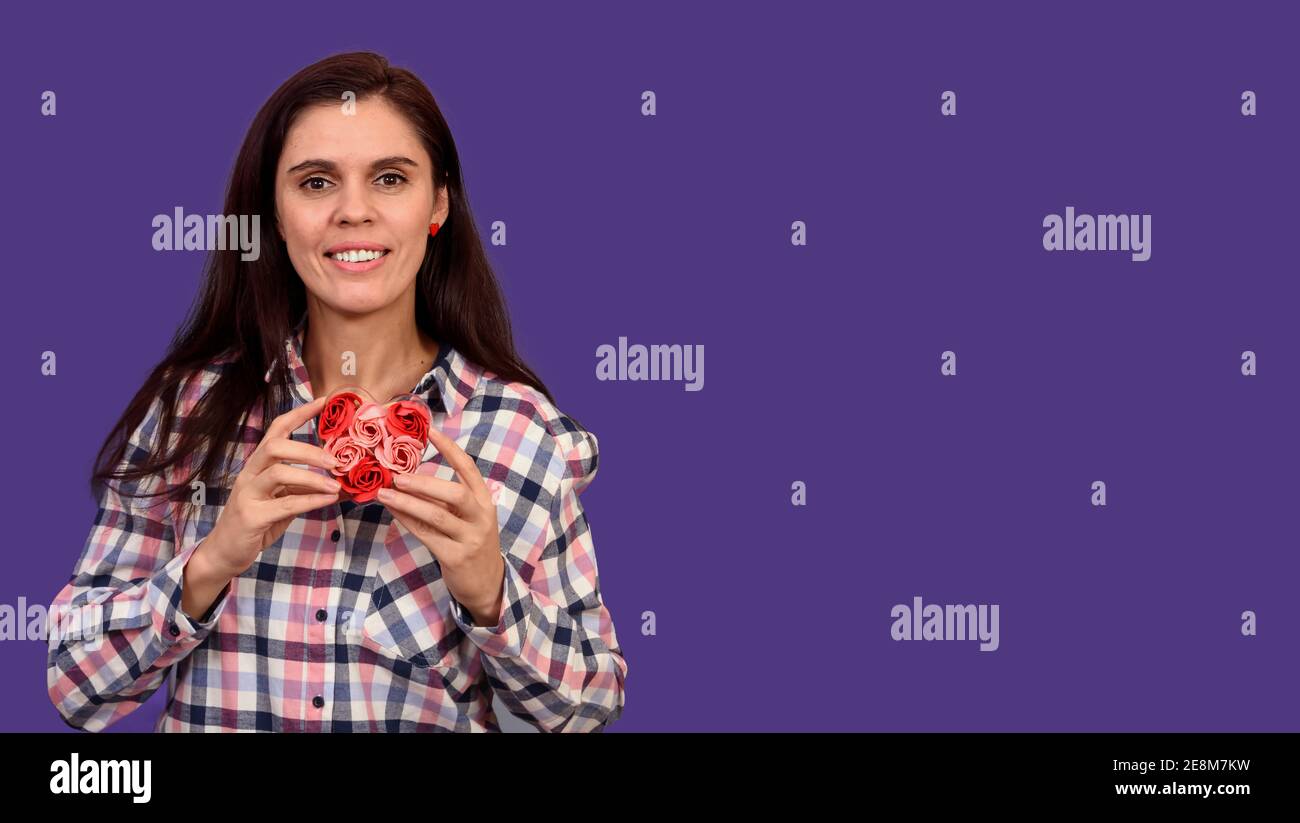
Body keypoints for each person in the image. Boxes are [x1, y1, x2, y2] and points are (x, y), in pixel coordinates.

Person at [45, 51, 627, 732]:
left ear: (437, 203)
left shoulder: (519, 433)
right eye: (317, 182)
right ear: (274, 212)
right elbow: (74, 684)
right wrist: (212, 560)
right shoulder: (188, 413)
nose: (354, 211)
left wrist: (492, 595)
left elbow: (590, 708)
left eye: (389, 178)